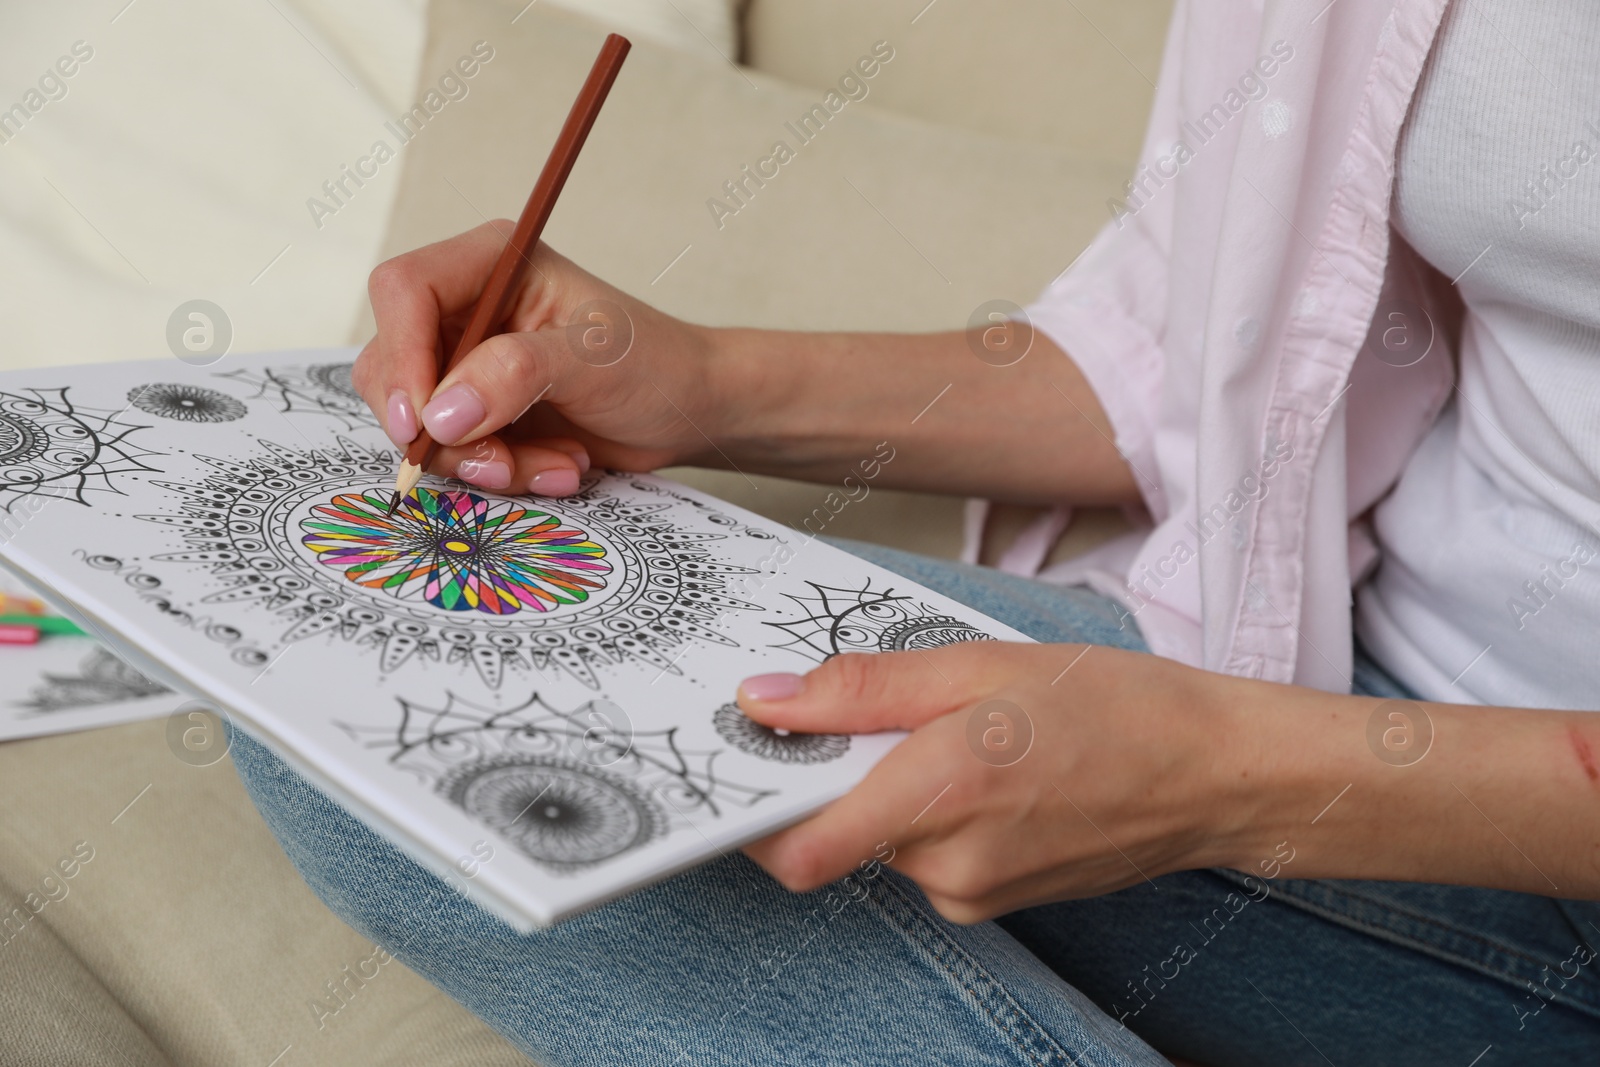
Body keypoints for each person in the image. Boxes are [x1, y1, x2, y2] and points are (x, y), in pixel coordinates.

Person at [230, 1, 1600, 1063]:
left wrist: (1234, 776)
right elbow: (1207, 364)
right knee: (365, 715)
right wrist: (703, 381)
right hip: (1336, 662)